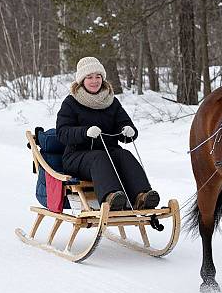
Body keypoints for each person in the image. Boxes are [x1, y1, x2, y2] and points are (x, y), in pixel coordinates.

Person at [56, 56, 160, 211]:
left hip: (109, 153)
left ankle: (141, 196)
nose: (94, 81)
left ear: (103, 79)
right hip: (77, 156)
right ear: (82, 80)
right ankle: (111, 198)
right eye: (89, 77)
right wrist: (85, 132)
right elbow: (62, 133)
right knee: (99, 157)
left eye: (98, 77)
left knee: (124, 155)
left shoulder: (111, 101)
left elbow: (124, 124)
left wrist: (128, 131)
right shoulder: (71, 102)